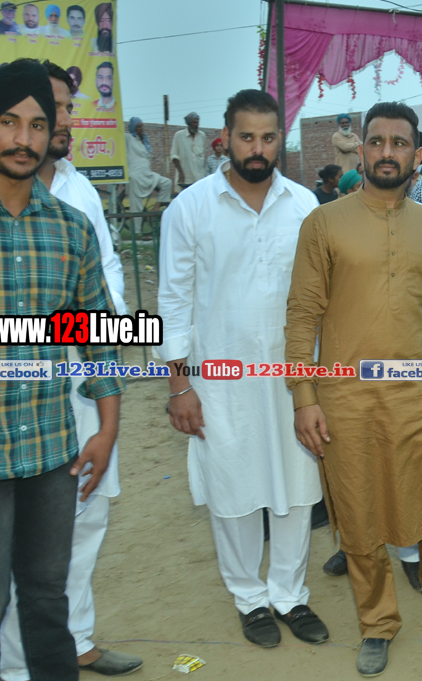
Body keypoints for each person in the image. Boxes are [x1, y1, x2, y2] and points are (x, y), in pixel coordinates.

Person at [286, 100, 422, 677]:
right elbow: (302, 313)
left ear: (416, 154)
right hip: (345, 395)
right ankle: (377, 622)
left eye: (398, 143)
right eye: (376, 142)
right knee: (359, 510)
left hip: (415, 389)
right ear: (362, 150)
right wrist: (304, 397)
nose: (386, 152)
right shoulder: (324, 223)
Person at [0, 60, 124, 681]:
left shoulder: (70, 227)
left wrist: (106, 429)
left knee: (49, 603)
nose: (23, 139)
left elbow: (100, 335)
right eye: (8, 122)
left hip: (54, 452)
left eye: (37, 125)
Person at [157, 89, 329, 649]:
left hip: (292, 377)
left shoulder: (305, 205)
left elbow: (320, 294)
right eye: (246, 137)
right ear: (225, 139)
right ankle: (249, 599)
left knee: (297, 485)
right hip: (219, 379)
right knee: (231, 488)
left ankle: (290, 594)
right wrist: (179, 384)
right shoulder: (190, 208)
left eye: (268, 137)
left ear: (281, 140)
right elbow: (172, 301)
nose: (257, 148)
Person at [0, 61, 141, 678]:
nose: (62, 120)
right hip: (7, 396)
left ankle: (74, 640)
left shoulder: (81, 192)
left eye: (66, 107)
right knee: (9, 535)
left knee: (86, 514)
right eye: (49, 108)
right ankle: (13, 665)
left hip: (84, 386)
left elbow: (107, 279)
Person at [123, 118, 173, 235]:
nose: (141, 129)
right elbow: (118, 133)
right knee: (136, 206)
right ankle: (137, 233)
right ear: (133, 128)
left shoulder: (144, 140)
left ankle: (156, 207)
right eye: (138, 126)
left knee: (167, 183)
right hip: (135, 176)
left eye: (142, 126)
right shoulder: (129, 138)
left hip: (148, 174)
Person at [170, 111, 208, 187]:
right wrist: (180, 172)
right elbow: (174, 156)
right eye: (194, 122)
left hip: (199, 178)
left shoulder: (202, 136)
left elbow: (202, 155)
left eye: (197, 122)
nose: (196, 125)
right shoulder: (179, 135)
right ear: (189, 123)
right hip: (185, 178)